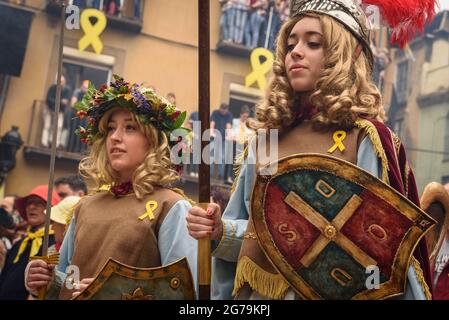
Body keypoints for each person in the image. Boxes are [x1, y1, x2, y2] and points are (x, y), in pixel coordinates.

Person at [187, 0, 435, 300]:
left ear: (343, 54)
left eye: (313, 43)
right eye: (291, 43)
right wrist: (218, 230)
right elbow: (256, 234)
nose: (296, 51)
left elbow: (386, 255)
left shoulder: (366, 138)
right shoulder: (266, 141)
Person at [25, 75, 197, 300]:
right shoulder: (85, 206)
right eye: (111, 129)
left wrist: (114, 292)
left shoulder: (172, 206)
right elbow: (70, 279)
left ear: (154, 141)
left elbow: (186, 292)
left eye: (130, 128)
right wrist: (46, 280)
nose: (115, 137)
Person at [0, 185, 60, 299]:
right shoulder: (20, 243)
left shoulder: (55, 243)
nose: (31, 207)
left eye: (39, 203)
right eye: (29, 203)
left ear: (52, 208)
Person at [42, 75, 71, 148]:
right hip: (49, 109)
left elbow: (66, 101)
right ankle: (44, 142)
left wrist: (59, 102)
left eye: (62, 82)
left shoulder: (66, 90)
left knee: (58, 126)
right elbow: (49, 100)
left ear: (64, 82)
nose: (60, 83)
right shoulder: (52, 88)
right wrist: (60, 101)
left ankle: (54, 143)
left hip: (59, 111)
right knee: (47, 126)